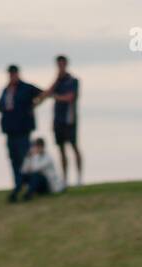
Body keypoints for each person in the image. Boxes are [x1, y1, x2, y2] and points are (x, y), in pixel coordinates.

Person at [0, 64, 47, 198]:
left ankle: (30, 187)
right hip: (10, 130)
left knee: (25, 159)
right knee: (14, 160)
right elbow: (1, 105)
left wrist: (34, 105)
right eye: (10, 74)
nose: (12, 76)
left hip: (23, 129)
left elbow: (43, 94)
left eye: (13, 73)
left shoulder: (26, 88)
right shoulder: (6, 90)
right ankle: (18, 185)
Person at [46, 55, 82, 184]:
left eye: (62, 64)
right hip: (58, 120)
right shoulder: (58, 81)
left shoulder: (73, 80)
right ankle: (65, 179)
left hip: (69, 119)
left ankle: (79, 178)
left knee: (73, 146)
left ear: (66, 64)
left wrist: (55, 96)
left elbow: (70, 97)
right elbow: (47, 93)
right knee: (61, 149)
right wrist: (56, 80)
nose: (60, 67)